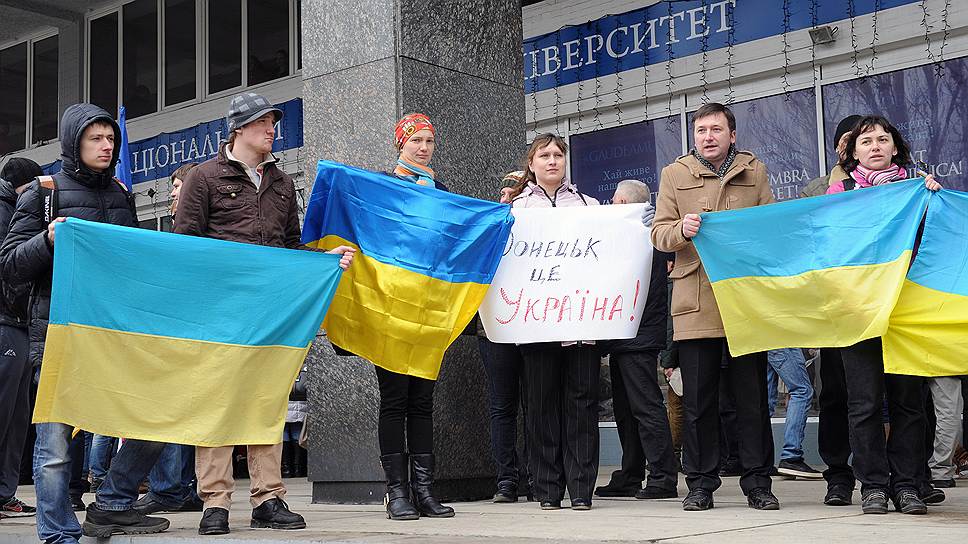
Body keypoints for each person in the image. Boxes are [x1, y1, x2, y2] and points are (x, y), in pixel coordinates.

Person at [174, 92, 355, 535]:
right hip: (220, 311)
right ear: (238, 129)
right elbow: (186, 245)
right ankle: (215, 503)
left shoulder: (282, 183)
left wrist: (324, 260)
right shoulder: (204, 177)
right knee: (217, 404)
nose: (272, 128)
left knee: (266, 401)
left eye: (273, 121)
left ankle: (268, 498)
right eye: (262, 122)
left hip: (270, 312)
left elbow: (290, 247)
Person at [0, 103, 171, 542]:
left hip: (113, 334)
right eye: (95, 138)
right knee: (55, 444)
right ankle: (59, 531)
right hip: (57, 333)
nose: (106, 145)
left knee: (153, 417)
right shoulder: (43, 193)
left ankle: (113, 503)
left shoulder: (121, 194)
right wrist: (48, 238)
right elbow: (10, 265)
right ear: (74, 143)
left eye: (110, 138)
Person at [651, 102, 778, 512]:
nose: (708, 136)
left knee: (752, 400)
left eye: (716, 129)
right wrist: (681, 230)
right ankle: (701, 484)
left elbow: (773, 228)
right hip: (696, 301)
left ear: (732, 135)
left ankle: (758, 483)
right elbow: (658, 234)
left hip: (745, 301)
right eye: (701, 130)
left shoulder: (754, 172)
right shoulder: (674, 174)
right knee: (699, 401)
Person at [823, 115, 941, 515]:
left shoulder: (919, 188)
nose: (874, 146)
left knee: (909, 402)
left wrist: (933, 201)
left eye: (882, 139)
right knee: (865, 403)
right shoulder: (841, 192)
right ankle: (873, 485)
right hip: (859, 310)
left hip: (907, 311)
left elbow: (938, 244)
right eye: (866, 141)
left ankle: (907, 484)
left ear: (895, 147)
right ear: (852, 152)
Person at [510, 133, 601, 511]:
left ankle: (581, 489)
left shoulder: (589, 204)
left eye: (558, 155)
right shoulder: (515, 209)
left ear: (566, 161)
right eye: (543, 155)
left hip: (580, 323)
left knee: (581, 405)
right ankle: (547, 489)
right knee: (541, 406)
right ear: (531, 164)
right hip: (536, 324)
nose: (552, 161)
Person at [372, 113, 454, 522]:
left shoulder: (440, 191)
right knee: (395, 400)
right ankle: (396, 492)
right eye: (415, 140)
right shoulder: (382, 186)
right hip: (390, 309)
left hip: (427, 309)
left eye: (429, 141)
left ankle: (424, 490)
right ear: (400, 144)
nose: (423, 147)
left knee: (422, 402)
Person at [594, 179, 678, 500]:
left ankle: (662, 475)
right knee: (626, 410)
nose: (610, 205)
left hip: (638, 334)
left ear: (626, 202)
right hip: (624, 333)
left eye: (614, 200)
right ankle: (630, 474)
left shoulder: (648, 232)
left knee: (645, 407)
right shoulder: (635, 232)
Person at [480, 170, 530, 503]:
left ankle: (535, 476)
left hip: (533, 322)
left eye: (517, 189)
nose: (509, 194)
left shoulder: (539, 223)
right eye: (506, 188)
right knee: (503, 405)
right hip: (495, 326)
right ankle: (507, 479)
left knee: (536, 404)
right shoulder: (490, 225)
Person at [0, 158, 41, 519]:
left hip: (19, 322)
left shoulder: (13, 210)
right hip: (6, 322)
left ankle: (5, 493)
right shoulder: (4, 213)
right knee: (5, 411)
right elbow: (10, 267)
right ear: (22, 186)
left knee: (17, 415)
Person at [768, 348, 822, 479]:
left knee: (765, 399)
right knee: (801, 391)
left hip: (761, 338)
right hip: (781, 339)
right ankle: (791, 456)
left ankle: (759, 460)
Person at [800, 115, 861, 198]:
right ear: (837, 147)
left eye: (863, 141)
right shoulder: (816, 190)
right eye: (848, 140)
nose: (853, 145)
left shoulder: (882, 180)